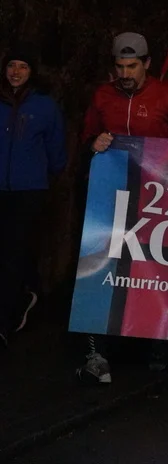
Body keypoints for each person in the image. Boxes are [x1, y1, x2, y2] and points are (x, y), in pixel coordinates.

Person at [79, 32, 168, 382]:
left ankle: (157, 346)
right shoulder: (103, 95)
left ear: (147, 64)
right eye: (120, 67)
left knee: (154, 267)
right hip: (112, 195)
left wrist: (159, 150)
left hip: (156, 197)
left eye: (132, 67)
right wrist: (94, 142)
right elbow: (86, 136)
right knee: (102, 264)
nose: (125, 74)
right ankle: (97, 348)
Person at [0, 47, 66, 344]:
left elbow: (56, 149)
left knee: (12, 251)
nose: (16, 72)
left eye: (22, 66)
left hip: (28, 190)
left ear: (32, 72)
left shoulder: (44, 106)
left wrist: (44, 173)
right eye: (11, 65)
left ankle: (4, 321)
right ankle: (29, 291)